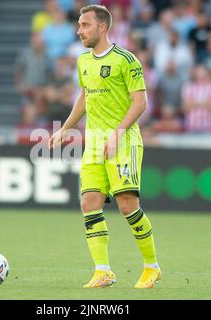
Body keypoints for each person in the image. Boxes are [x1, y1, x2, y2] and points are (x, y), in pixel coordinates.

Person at [48, 5, 161, 289]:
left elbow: (140, 102)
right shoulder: (83, 61)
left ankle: (151, 266)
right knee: (89, 202)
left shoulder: (126, 59)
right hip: (94, 143)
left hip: (123, 141)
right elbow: (84, 97)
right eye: (78, 24)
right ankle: (103, 271)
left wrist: (117, 133)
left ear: (102, 27)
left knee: (127, 205)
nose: (79, 30)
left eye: (85, 24)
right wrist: (65, 128)